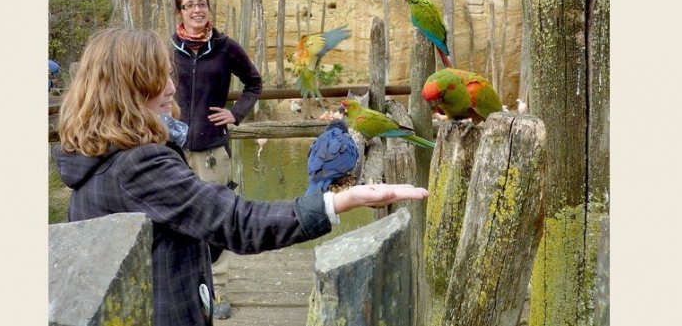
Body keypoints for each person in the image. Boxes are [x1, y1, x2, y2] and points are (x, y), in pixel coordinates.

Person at [53, 28, 428, 326]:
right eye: (156, 79)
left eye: (169, 75)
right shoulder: (138, 166)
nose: (171, 88)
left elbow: (173, 231)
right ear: (126, 89)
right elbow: (238, 222)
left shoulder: (92, 159)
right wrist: (342, 200)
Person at [170, 0, 263, 319]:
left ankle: (219, 288)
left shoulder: (224, 48)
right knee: (174, 218)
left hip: (212, 148)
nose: (197, 10)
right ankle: (182, 282)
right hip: (173, 149)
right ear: (179, 12)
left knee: (216, 216)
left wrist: (235, 114)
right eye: (189, 5)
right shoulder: (168, 49)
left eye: (202, 4)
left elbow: (254, 82)